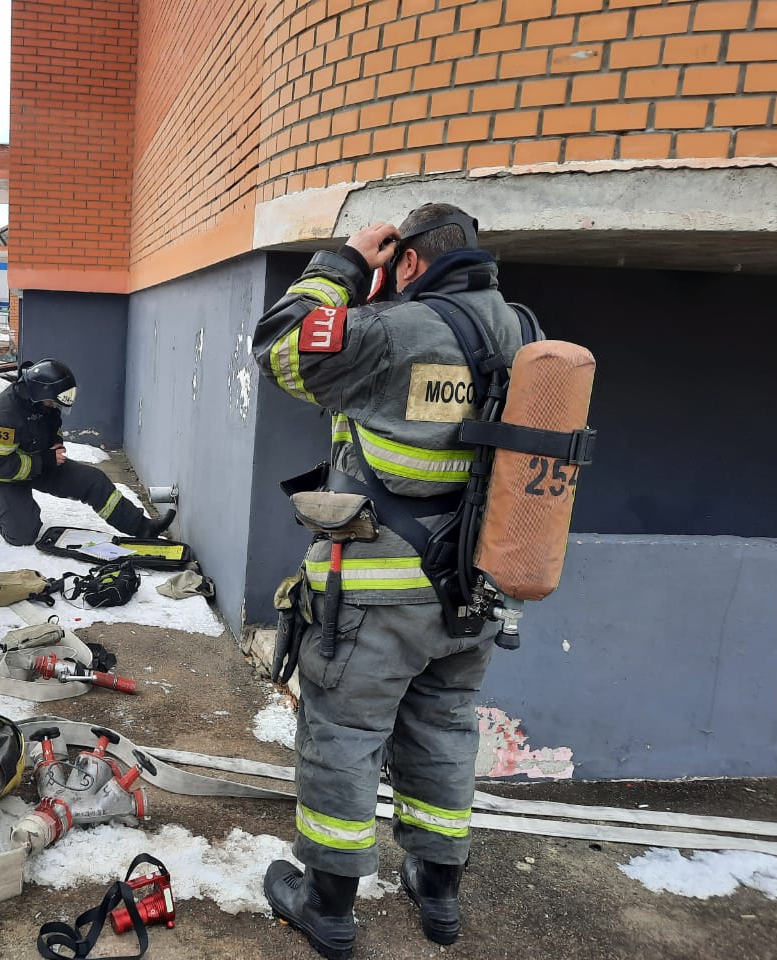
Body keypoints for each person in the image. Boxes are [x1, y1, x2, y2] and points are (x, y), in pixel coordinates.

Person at [253, 203, 527, 958]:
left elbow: (278, 348)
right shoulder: (522, 332)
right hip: (472, 591)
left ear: (407, 261)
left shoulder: (395, 332)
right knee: (442, 732)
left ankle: (329, 907)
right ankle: (437, 895)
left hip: (375, 595)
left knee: (342, 737)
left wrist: (341, 263)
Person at [0, 358, 174, 545]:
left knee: (93, 481)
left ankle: (142, 527)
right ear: (41, 392)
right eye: (53, 403)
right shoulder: (4, 416)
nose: (55, 406)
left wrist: (55, 442)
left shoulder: (42, 403)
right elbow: (1, 466)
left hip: (37, 462)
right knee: (23, 534)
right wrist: (45, 460)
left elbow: (53, 427)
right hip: (1, 475)